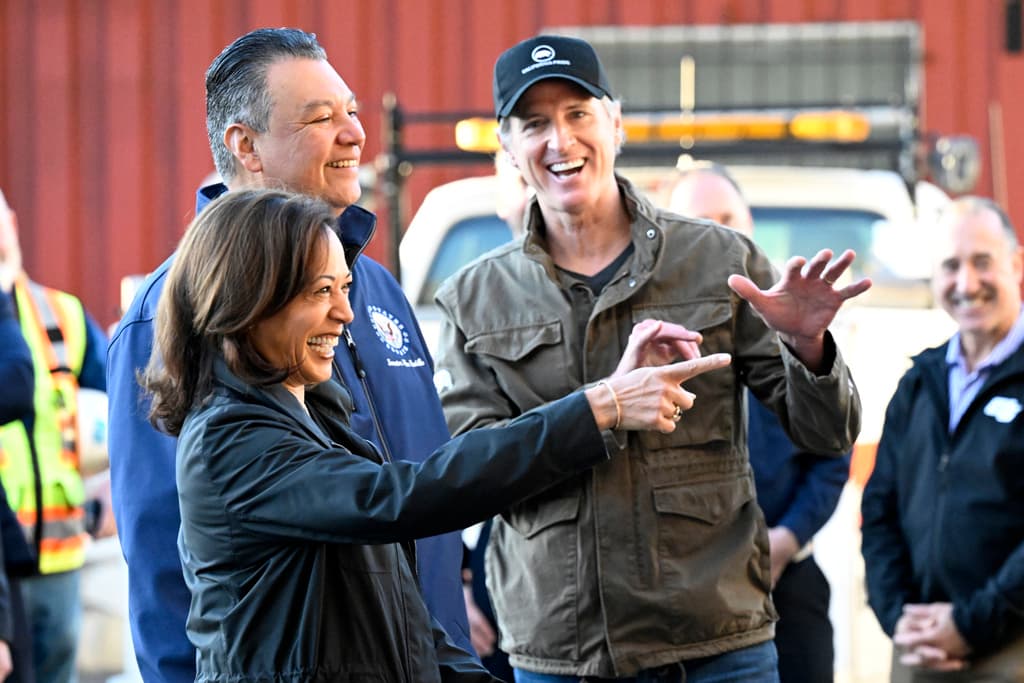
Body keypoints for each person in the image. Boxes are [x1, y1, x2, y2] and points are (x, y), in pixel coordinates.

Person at [142, 187, 730, 680]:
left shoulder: (315, 414)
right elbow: (406, 497)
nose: (344, 315)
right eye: (321, 292)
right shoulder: (230, 439)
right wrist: (597, 407)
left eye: (344, 289)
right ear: (248, 300)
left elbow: (399, 624)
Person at [434, 34, 869, 682]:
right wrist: (600, 408)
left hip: (718, 645)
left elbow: (827, 432)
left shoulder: (719, 260)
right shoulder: (475, 298)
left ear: (615, 121)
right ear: (507, 145)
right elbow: (471, 473)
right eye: (534, 123)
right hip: (563, 655)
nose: (560, 140)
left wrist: (809, 348)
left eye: (578, 113)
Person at [107, 27, 498, 682]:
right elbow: (163, 568)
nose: (355, 134)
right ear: (245, 147)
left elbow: (420, 478)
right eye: (322, 118)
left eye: (352, 111)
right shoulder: (176, 311)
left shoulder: (375, 287)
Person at [669, 161, 850, 683]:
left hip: (788, 581)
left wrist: (787, 539)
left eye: (730, 217)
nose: (722, 233)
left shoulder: (794, 331)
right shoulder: (652, 342)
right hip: (686, 594)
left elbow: (832, 453)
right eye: (703, 221)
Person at [861, 196, 1024, 682]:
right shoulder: (919, 382)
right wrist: (900, 620)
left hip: (1010, 652)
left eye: (982, 262)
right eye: (950, 266)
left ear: (1017, 265)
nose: (966, 283)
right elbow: (879, 507)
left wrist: (970, 624)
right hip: (921, 651)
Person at [0, 188, 108, 683]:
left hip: (62, 549)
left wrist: (106, 494)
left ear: (15, 225)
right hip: (5, 554)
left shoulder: (63, 313)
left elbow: (117, 413)